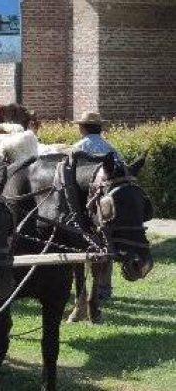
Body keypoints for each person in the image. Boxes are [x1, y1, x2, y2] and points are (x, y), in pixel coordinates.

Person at [72, 111, 120, 301]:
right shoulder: (111, 148)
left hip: (82, 205)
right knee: (106, 243)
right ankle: (104, 288)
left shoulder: (77, 148)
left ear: (82, 128)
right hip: (107, 206)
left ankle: (81, 290)